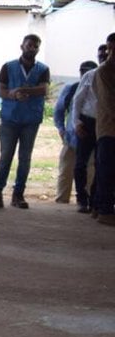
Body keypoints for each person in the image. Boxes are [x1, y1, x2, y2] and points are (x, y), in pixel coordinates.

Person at [0, 34, 51, 209]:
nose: (31, 48)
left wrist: (24, 90)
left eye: (35, 46)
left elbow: (44, 89)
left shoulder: (43, 69)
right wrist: (14, 94)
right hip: (10, 119)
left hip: (31, 120)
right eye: (29, 45)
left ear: (38, 49)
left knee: (25, 158)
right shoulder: (8, 67)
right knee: (5, 157)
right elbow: (1, 91)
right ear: (22, 46)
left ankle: (18, 195)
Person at [54, 60, 99, 206]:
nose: (84, 74)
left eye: (88, 70)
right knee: (66, 171)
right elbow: (59, 111)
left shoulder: (97, 88)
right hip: (71, 138)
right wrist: (61, 129)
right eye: (82, 71)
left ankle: (86, 200)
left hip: (89, 135)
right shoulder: (71, 88)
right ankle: (62, 201)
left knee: (90, 170)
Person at [71, 43, 109, 213]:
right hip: (87, 122)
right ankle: (81, 198)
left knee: (103, 164)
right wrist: (76, 123)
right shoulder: (90, 75)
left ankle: (96, 200)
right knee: (81, 163)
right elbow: (77, 101)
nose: (103, 58)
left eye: (106, 55)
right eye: (100, 55)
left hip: (107, 123)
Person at [90, 32, 115, 226]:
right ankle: (104, 210)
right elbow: (108, 102)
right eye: (110, 48)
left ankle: (101, 207)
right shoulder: (104, 71)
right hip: (108, 127)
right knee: (106, 170)